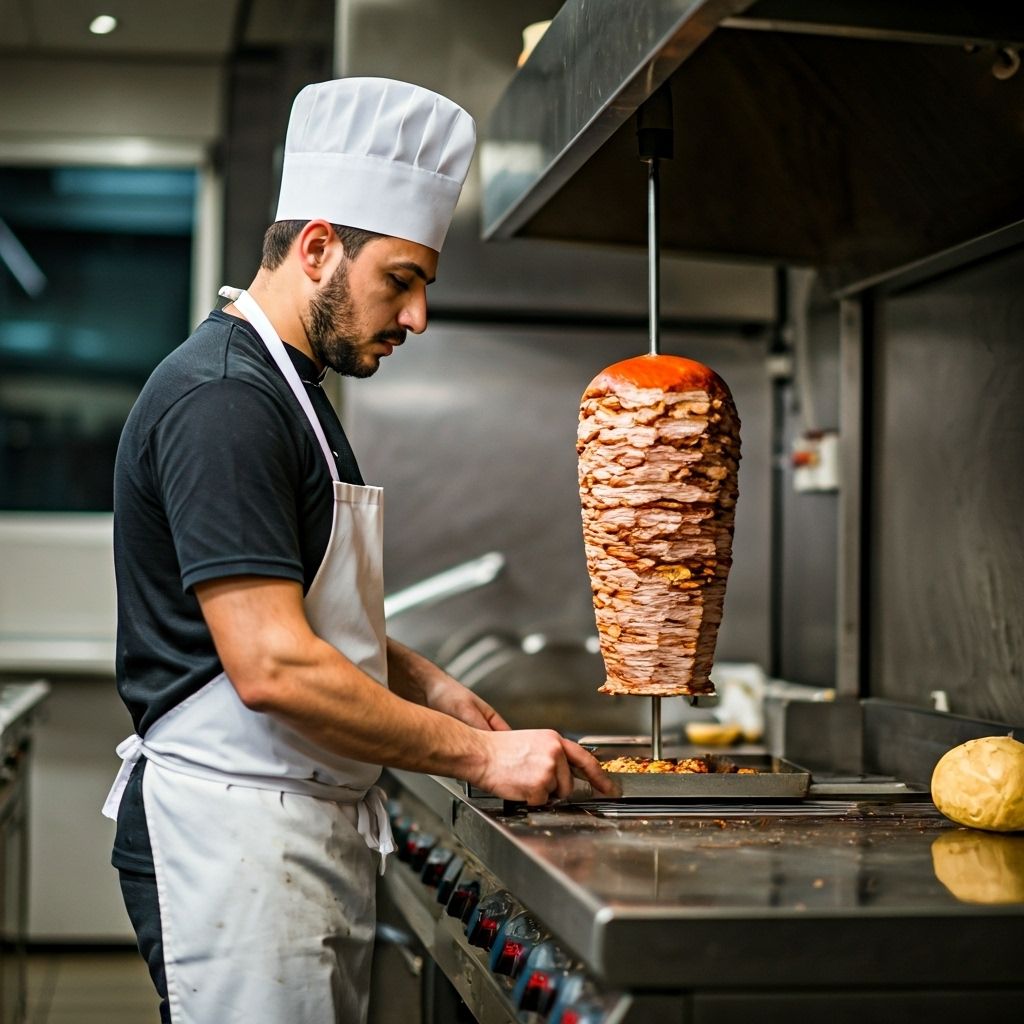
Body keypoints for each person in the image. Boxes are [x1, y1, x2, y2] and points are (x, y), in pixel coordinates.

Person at [102, 77, 615, 1024]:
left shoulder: (289, 394)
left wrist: (423, 683)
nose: (417, 316)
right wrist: (477, 758)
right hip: (236, 838)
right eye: (403, 280)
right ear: (317, 248)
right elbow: (272, 666)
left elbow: (302, 612)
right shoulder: (226, 403)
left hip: (285, 828)